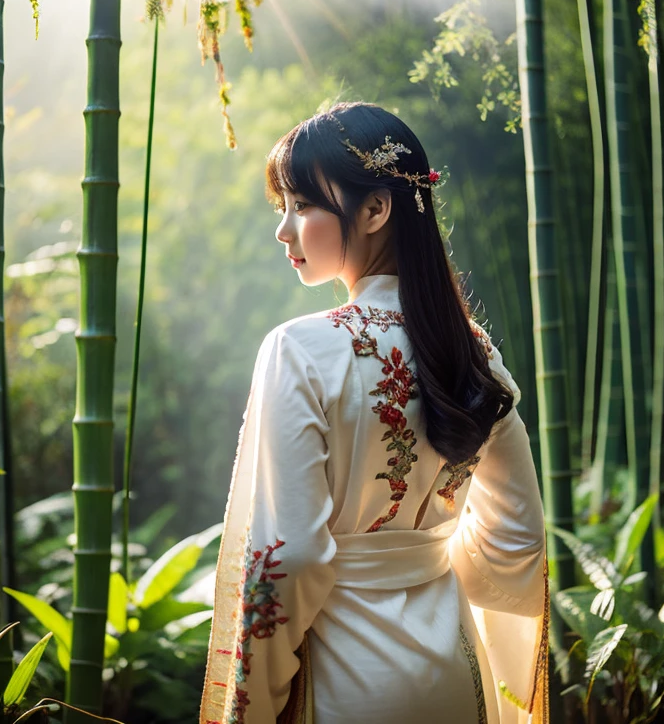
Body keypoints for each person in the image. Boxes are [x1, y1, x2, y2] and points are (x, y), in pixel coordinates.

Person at [199, 101, 548, 724]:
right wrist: (417, 561)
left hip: (343, 679)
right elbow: (518, 542)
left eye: (302, 205)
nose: (283, 230)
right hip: (452, 672)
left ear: (376, 209)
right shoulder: (472, 351)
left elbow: (292, 559)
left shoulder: (299, 349)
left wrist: (257, 707)